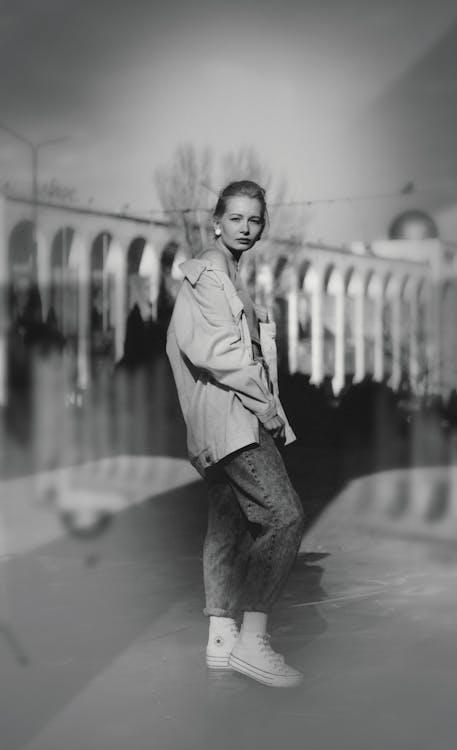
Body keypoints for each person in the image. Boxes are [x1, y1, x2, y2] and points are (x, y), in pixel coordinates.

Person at [166, 180, 304, 688]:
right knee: (284, 517)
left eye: (255, 220)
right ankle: (253, 640)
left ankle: (222, 641)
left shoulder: (225, 272)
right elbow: (221, 354)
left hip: (221, 417)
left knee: (227, 524)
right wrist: (268, 408)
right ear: (216, 221)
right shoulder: (209, 273)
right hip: (234, 415)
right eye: (237, 218)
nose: (246, 228)